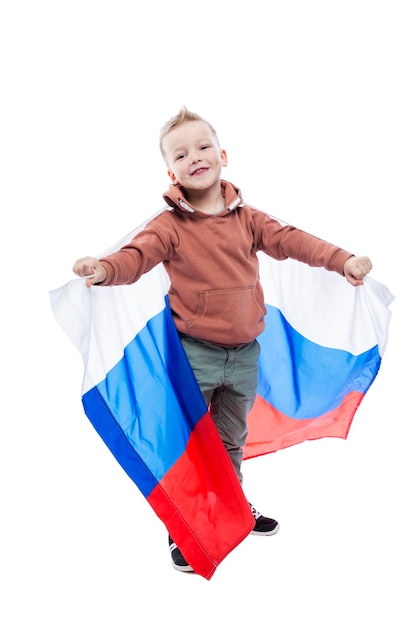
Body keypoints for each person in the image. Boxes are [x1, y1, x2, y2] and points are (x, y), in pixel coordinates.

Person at [73, 107, 372, 573]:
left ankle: (232, 509)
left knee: (231, 439)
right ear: (171, 171)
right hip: (195, 356)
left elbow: (294, 241)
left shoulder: (248, 220)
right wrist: (104, 269)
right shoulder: (169, 226)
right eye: (181, 153)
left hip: (245, 355)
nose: (195, 156)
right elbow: (135, 257)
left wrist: (343, 260)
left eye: (203, 146)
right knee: (193, 444)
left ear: (223, 155)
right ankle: (185, 527)